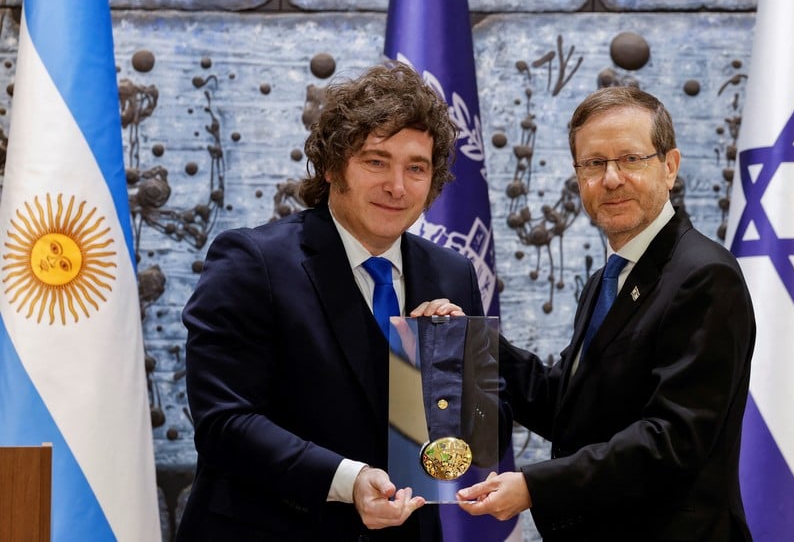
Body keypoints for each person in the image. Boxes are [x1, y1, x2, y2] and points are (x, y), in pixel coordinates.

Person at [176, 62, 498, 541]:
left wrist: (453, 367)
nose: (397, 186)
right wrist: (348, 481)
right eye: (376, 161)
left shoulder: (452, 273)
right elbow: (224, 421)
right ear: (330, 165)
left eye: (416, 168)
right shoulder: (251, 261)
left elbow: (477, 429)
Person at [457, 86, 756, 541]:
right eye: (594, 163)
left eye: (631, 159)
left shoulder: (704, 275)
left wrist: (534, 486)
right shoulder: (607, 279)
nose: (611, 178)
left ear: (669, 167)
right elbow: (567, 404)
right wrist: (469, 340)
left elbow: (672, 440)